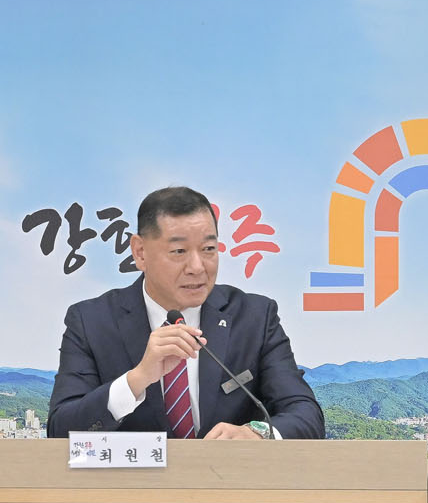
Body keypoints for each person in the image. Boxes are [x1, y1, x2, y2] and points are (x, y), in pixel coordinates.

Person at [47, 186, 324, 440]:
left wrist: (257, 433)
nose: (197, 267)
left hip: (229, 478)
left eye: (208, 249)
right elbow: (60, 431)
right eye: (179, 251)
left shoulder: (254, 317)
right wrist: (137, 379)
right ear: (140, 252)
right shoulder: (90, 321)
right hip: (133, 480)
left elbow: (306, 415)